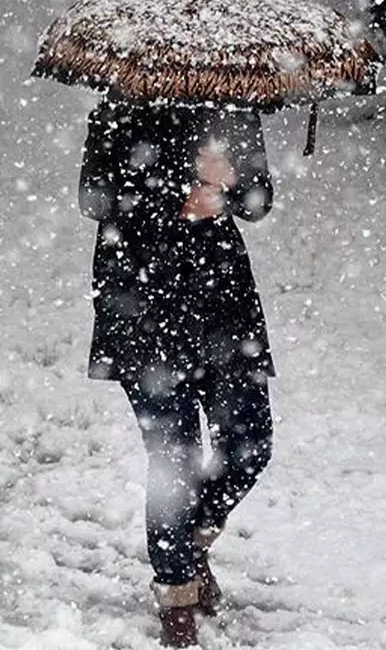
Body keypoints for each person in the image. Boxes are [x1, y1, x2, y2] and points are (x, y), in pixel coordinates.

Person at [80, 98, 275, 647]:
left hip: (223, 307)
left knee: (251, 442)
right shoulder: (119, 103)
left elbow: (259, 202)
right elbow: (94, 197)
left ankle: (186, 544)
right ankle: (176, 598)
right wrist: (177, 192)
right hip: (141, 304)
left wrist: (229, 185)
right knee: (175, 460)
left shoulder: (234, 99)